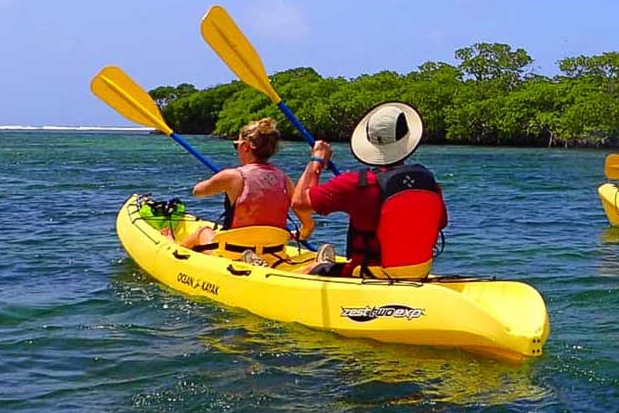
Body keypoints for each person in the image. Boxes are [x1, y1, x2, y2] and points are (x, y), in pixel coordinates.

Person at [292, 101, 448, 279]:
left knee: (310, 270)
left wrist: (317, 160)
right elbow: (441, 222)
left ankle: (321, 265)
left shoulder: (356, 183)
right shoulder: (427, 180)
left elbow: (299, 202)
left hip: (374, 273)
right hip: (421, 270)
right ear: (407, 139)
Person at [184, 117, 295, 255]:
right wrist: (300, 233)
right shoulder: (286, 180)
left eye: (236, 145)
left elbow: (197, 191)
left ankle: (173, 250)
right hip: (274, 251)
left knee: (203, 231)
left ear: (245, 147)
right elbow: (304, 215)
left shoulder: (232, 176)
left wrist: (219, 180)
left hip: (234, 252)